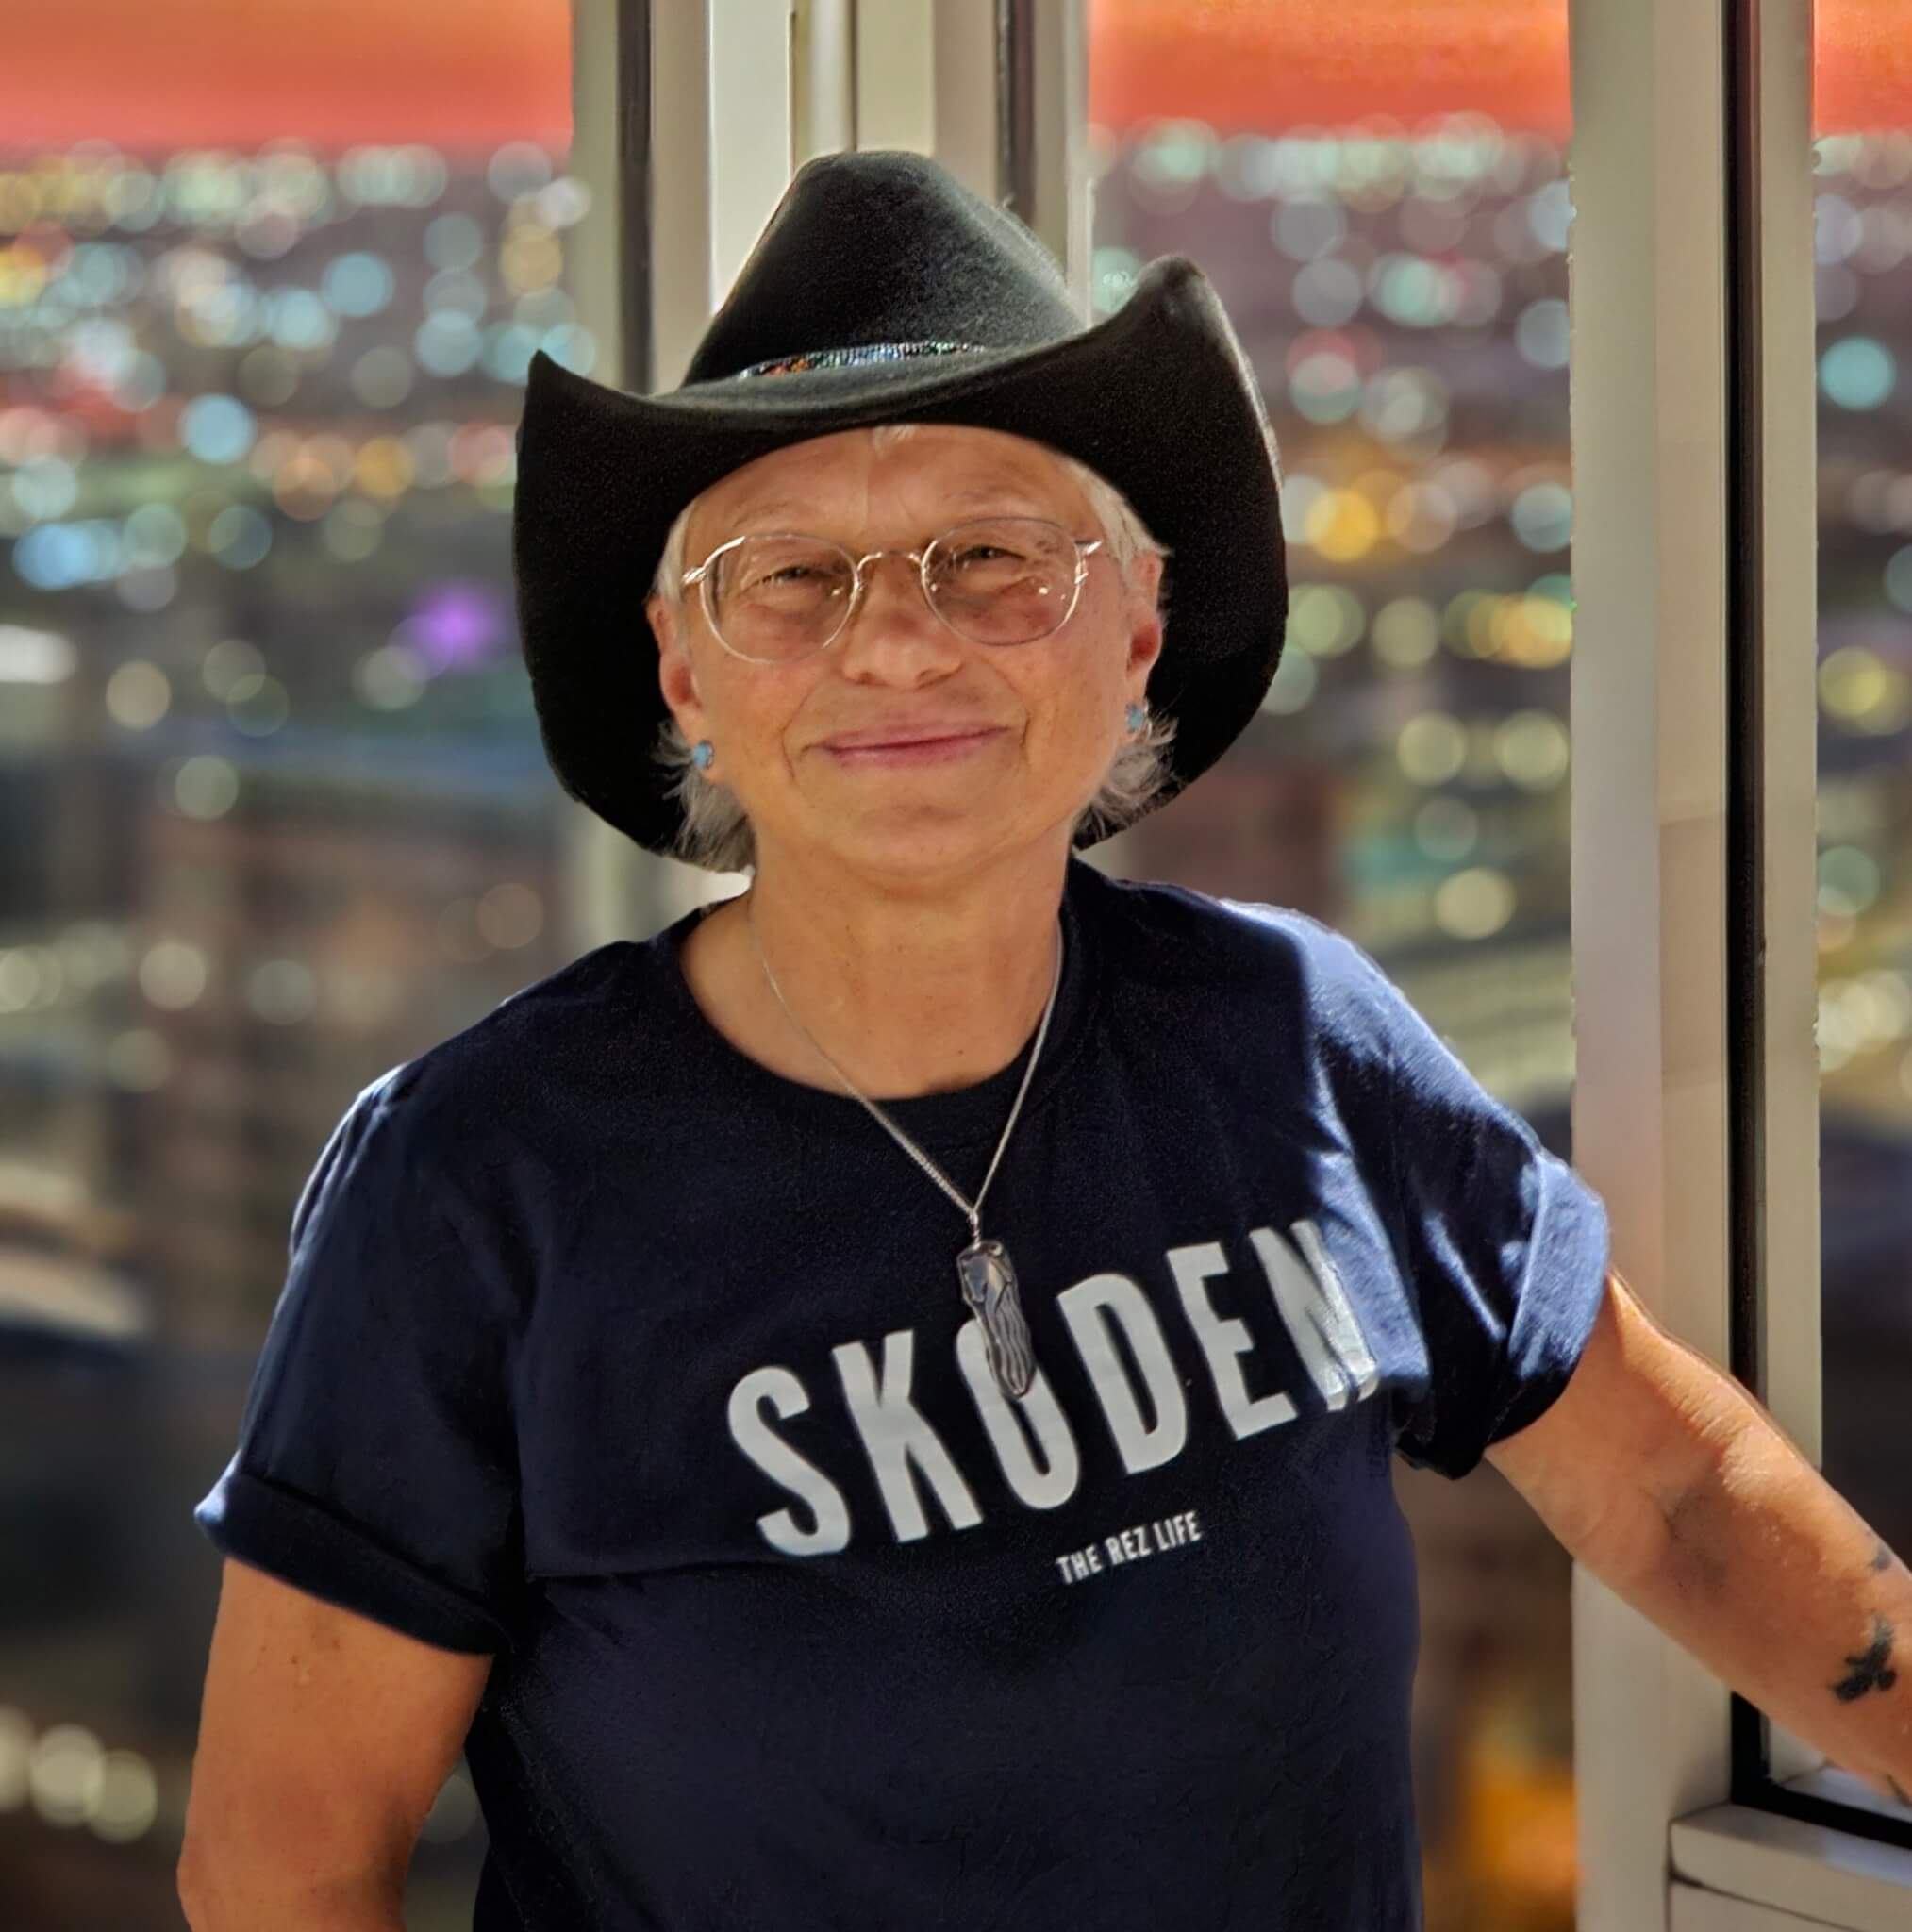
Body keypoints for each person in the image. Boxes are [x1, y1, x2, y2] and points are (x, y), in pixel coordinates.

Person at [181, 150, 1611, 1931]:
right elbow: (280, 1866)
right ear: (686, 678)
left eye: (994, 558)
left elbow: (1684, 1493)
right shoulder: (481, 1182)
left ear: (1140, 628)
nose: (896, 644)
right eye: (791, 579)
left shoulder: (1296, 1045)